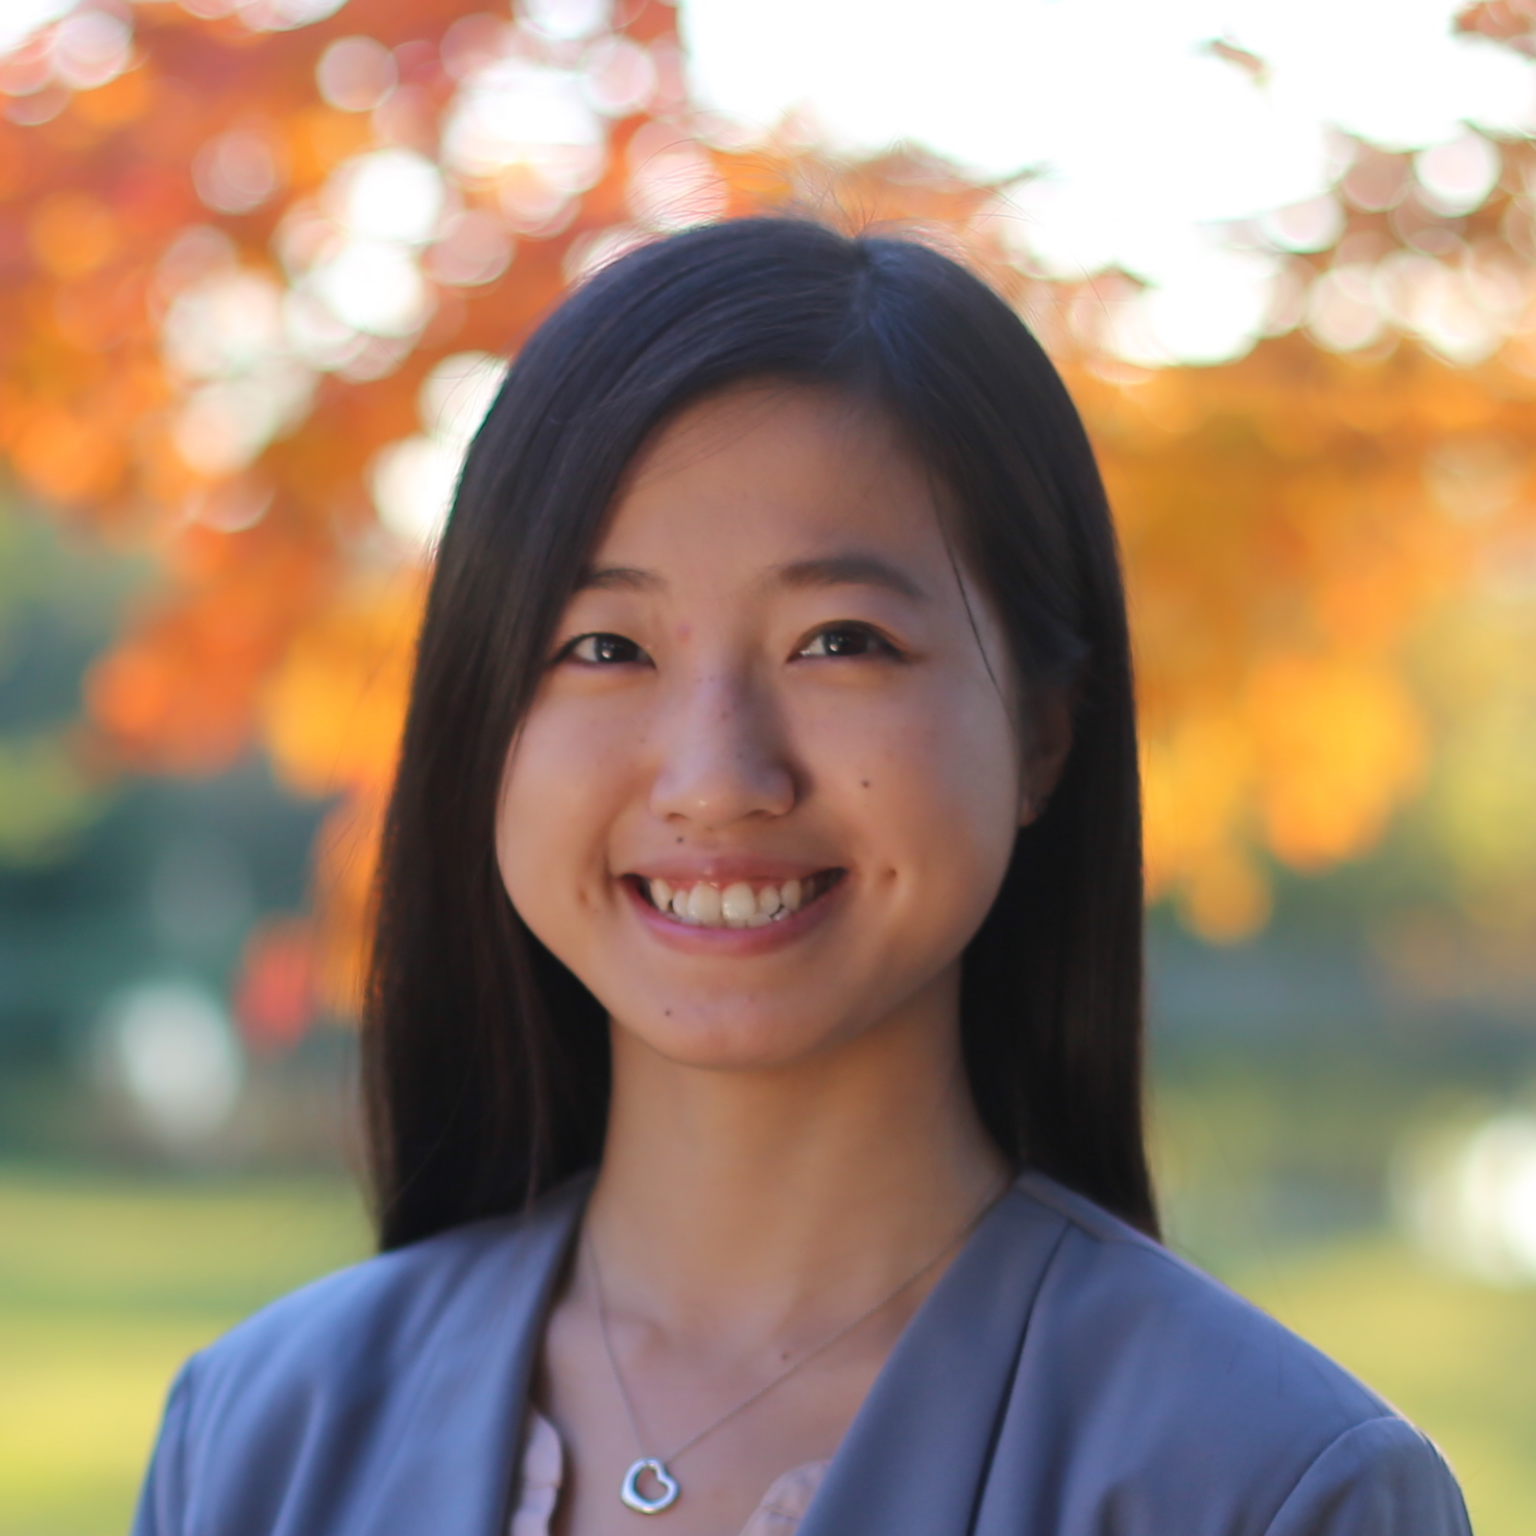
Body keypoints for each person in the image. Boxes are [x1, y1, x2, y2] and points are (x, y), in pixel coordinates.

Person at [130, 218, 1470, 1536]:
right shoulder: (261, 1437)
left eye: (841, 640)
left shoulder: (1269, 1488)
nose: (717, 776)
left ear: (1042, 734)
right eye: (603, 647)